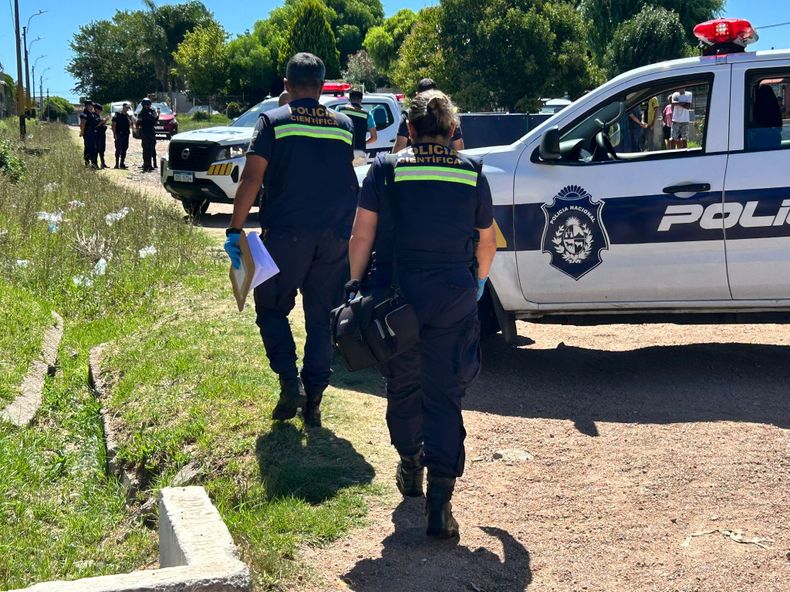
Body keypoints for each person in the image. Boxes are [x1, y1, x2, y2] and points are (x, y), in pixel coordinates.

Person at [348, 90, 497, 538]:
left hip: (396, 300)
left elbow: (361, 235)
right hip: (452, 297)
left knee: (403, 384)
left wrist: (355, 286)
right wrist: (476, 286)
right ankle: (440, 504)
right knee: (444, 393)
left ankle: (411, 462)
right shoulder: (471, 172)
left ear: (409, 129)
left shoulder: (385, 170)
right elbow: (486, 242)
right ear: (452, 131)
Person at [224, 53, 357, 427]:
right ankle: (314, 400)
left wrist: (235, 230)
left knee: (270, 309)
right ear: (320, 87)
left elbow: (251, 179)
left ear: (286, 85)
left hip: (286, 235)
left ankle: (288, 380)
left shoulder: (273, 121)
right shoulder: (344, 125)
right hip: (334, 238)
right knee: (320, 319)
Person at [392, 78, 464, 152]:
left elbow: (400, 145)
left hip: (415, 161)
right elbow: (459, 144)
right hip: (445, 161)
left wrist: (394, 161)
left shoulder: (409, 115)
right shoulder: (447, 114)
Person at [337, 89, 377, 166]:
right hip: (359, 151)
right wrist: (362, 142)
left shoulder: (340, 109)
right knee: (358, 176)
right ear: (361, 100)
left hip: (342, 150)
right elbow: (374, 137)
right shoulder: (367, 114)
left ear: (349, 99)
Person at [136, 98, 158, 172]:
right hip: (147, 132)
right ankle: (147, 164)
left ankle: (149, 164)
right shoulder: (143, 113)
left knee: (150, 149)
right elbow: (139, 123)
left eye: (149, 104)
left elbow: (155, 120)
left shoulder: (149, 112)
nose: (149, 106)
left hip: (149, 132)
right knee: (147, 149)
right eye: (148, 105)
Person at [79, 100, 100, 168]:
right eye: (90, 105)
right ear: (87, 106)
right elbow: (82, 124)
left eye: (92, 106)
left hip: (92, 133)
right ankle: (87, 163)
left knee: (93, 149)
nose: (92, 107)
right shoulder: (85, 114)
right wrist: (82, 132)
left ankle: (93, 164)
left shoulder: (91, 114)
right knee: (88, 148)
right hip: (88, 133)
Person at [112, 103, 133, 169]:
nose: (127, 109)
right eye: (126, 107)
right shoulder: (117, 114)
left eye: (128, 108)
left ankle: (122, 163)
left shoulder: (127, 115)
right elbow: (113, 125)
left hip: (126, 134)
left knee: (125, 148)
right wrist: (114, 134)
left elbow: (130, 125)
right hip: (119, 134)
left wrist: (130, 122)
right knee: (118, 149)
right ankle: (116, 164)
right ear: (123, 107)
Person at [93, 104, 110, 168]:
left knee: (102, 150)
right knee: (97, 150)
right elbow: (95, 125)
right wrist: (103, 121)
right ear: (96, 109)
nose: (100, 111)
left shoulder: (99, 116)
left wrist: (105, 121)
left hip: (102, 134)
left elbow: (102, 125)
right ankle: (95, 164)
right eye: (100, 110)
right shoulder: (94, 116)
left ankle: (103, 163)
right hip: (97, 135)